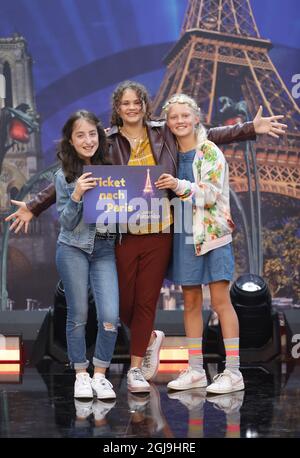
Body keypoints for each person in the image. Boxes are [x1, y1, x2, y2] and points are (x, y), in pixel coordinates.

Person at [5, 81, 287, 393]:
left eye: (137, 101)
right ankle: (151, 338)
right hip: (124, 232)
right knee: (120, 302)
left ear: (144, 105)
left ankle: (136, 369)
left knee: (147, 303)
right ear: (117, 108)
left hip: (162, 231)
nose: (132, 107)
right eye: (125, 103)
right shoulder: (107, 141)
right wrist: (34, 205)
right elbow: (71, 168)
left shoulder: (163, 132)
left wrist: (249, 128)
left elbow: (204, 134)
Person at [155, 93, 254, 394]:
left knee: (221, 302)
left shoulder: (209, 150)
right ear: (167, 123)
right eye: (174, 117)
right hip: (183, 234)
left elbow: (210, 194)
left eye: (186, 115)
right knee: (191, 303)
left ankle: (233, 372)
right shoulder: (168, 153)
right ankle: (196, 370)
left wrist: (178, 185)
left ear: (196, 118)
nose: (180, 121)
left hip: (211, 235)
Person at [53, 110, 119, 399]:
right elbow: (65, 222)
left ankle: (101, 374)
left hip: (104, 248)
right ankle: (81, 373)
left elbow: (125, 210)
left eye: (92, 133)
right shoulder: (63, 175)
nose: (88, 139)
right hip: (73, 248)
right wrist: (77, 194)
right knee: (78, 314)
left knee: (109, 316)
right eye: (80, 134)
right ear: (71, 139)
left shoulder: (113, 171)